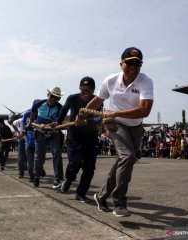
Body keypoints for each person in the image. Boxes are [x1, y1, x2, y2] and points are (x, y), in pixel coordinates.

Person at [85, 47, 154, 217]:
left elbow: (145, 111)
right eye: (129, 63)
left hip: (136, 126)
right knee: (128, 156)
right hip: (115, 124)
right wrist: (83, 113)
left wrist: (115, 112)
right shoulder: (110, 80)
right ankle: (119, 201)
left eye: (137, 63)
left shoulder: (145, 81)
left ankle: (101, 196)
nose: (134, 67)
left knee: (124, 160)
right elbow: (98, 100)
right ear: (121, 64)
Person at [57, 76, 102, 203]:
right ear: (79, 89)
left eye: (88, 90)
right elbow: (63, 110)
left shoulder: (97, 101)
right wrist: (57, 124)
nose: (85, 92)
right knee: (76, 162)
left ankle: (81, 193)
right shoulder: (72, 98)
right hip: (74, 136)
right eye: (83, 89)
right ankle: (68, 179)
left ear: (93, 90)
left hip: (91, 137)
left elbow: (99, 118)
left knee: (89, 168)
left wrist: (86, 122)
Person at [28, 86, 64, 188]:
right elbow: (33, 114)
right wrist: (31, 122)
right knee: (39, 156)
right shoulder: (38, 103)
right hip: (40, 132)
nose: (53, 99)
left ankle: (58, 179)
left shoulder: (60, 108)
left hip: (53, 132)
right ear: (48, 95)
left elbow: (58, 122)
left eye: (56, 98)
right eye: (52, 96)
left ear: (59, 99)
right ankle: (36, 177)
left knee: (56, 152)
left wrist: (51, 125)